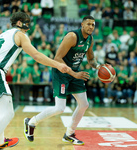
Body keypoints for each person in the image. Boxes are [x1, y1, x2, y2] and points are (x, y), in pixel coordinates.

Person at [0, 12, 70, 150]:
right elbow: (36, 55)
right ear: (19, 23)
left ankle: (0, 142)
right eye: (26, 21)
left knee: (1, 111)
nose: (28, 24)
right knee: (8, 113)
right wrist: (58, 65)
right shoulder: (20, 35)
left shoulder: (0, 36)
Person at [24, 16, 104, 145]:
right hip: (61, 72)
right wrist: (74, 73)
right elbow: (57, 58)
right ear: (82, 24)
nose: (91, 27)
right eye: (88, 24)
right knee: (60, 108)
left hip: (75, 72)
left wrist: (99, 67)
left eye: (93, 25)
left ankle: (69, 134)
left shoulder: (90, 39)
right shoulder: (72, 37)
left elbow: (91, 58)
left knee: (84, 104)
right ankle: (31, 121)